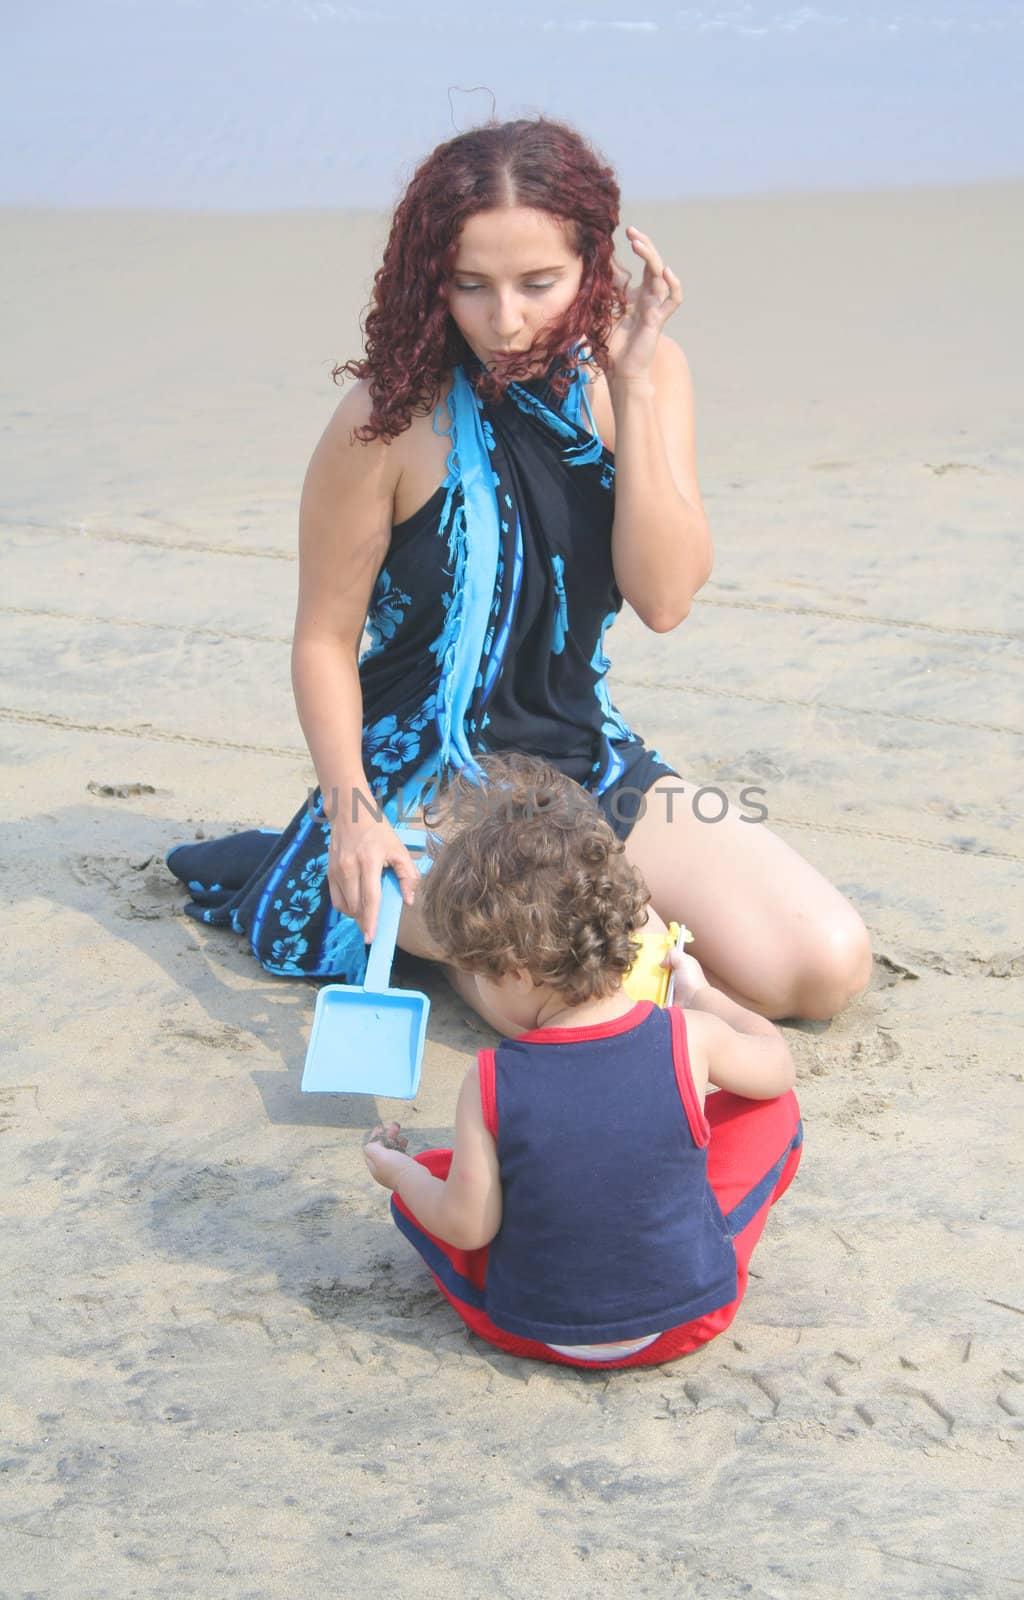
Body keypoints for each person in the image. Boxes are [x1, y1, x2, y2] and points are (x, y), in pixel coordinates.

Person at [166, 116, 871, 1024]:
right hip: (425, 782)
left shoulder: (645, 375)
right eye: (471, 286)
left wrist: (632, 386)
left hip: (582, 755)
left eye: (539, 284)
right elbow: (323, 638)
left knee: (821, 966)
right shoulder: (385, 419)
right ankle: (348, 867)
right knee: (599, 989)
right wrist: (352, 811)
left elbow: (663, 598)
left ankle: (551, 933)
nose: (505, 321)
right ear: (432, 280)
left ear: (591, 266)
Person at [363, 757, 803, 1370]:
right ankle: (693, 1247)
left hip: (531, 1328)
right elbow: (776, 1066)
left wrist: (400, 1177)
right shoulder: (689, 1037)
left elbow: (468, 1227)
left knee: (441, 1172)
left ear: (514, 974)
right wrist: (704, 997)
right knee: (773, 1109)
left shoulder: (489, 1081)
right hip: (687, 1319)